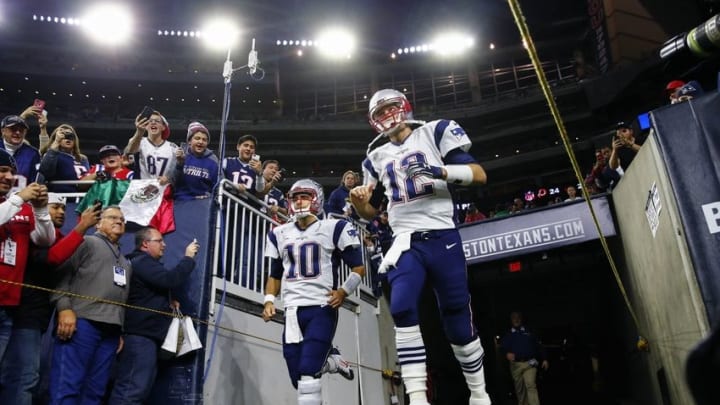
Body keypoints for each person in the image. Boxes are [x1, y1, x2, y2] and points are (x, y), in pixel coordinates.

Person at [350, 88, 491, 405]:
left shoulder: (436, 130)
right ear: (373, 122)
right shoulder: (374, 158)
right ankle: (417, 397)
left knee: (456, 316)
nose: (388, 116)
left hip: (442, 234)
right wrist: (358, 205)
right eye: (380, 113)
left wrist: (439, 171)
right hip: (404, 240)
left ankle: (479, 393)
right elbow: (373, 212)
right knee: (401, 307)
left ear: (405, 106)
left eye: (391, 108)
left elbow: (480, 175)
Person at [263, 179, 363, 405]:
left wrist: (343, 292)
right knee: (298, 378)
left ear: (316, 199)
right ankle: (333, 362)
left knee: (308, 372)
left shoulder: (333, 227)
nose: (299, 202)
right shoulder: (278, 233)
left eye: (304, 196)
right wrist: (269, 300)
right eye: (295, 197)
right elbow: (275, 274)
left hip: (321, 306)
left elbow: (358, 267)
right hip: (291, 310)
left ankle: (329, 361)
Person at [0, 194, 100, 405]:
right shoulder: (33, 236)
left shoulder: (59, 236)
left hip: (39, 316)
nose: (61, 212)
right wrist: (81, 227)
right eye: (55, 207)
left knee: (25, 377)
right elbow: (52, 257)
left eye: (64, 209)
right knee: (23, 377)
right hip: (22, 314)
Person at [49, 206, 132, 404]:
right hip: (81, 323)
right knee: (67, 387)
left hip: (111, 330)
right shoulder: (86, 243)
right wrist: (64, 308)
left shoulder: (124, 260)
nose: (119, 221)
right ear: (98, 222)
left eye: (122, 219)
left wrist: (119, 328)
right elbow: (60, 275)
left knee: (95, 391)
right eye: (112, 217)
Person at [108, 227, 198, 404]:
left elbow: (147, 292)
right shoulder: (142, 261)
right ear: (145, 244)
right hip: (140, 337)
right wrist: (188, 258)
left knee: (138, 390)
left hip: (145, 336)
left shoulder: (139, 263)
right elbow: (169, 279)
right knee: (131, 390)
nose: (164, 245)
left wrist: (167, 302)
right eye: (159, 241)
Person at [0, 149, 55, 366]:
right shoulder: (15, 202)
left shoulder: (19, 206)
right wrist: (19, 198)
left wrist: (40, 211)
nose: (8, 176)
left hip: (9, 305)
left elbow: (45, 240)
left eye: (11, 172)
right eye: (2, 170)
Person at [499, 312, 549, 405]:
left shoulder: (529, 331)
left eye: (518, 317)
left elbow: (539, 345)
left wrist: (545, 359)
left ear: (521, 319)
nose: (516, 319)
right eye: (514, 318)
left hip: (530, 363)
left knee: (530, 385)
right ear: (511, 320)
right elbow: (503, 348)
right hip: (515, 365)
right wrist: (506, 353)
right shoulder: (508, 334)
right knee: (520, 389)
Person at [125, 109, 178, 185]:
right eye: (150, 121)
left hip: (164, 189)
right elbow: (129, 151)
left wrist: (169, 177)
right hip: (142, 188)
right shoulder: (138, 141)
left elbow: (177, 169)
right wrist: (139, 131)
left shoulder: (173, 147)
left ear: (163, 127)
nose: (153, 122)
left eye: (157, 121)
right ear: (146, 126)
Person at [174, 121, 219, 201]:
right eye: (197, 138)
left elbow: (218, 185)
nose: (200, 142)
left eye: (204, 140)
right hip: (180, 202)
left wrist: (209, 197)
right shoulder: (179, 155)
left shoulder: (213, 160)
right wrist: (180, 164)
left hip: (203, 204)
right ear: (189, 141)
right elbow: (171, 180)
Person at [39, 124, 90, 193]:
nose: (68, 139)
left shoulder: (82, 159)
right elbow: (45, 171)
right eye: (64, 136)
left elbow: (87, 177)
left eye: (71, 136)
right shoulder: (53, 155)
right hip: (60, 197)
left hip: (81, 197)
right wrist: (56, 143)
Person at [0, 115, 40, 190]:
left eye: (21, 130)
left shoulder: (33, 153)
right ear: (3, 131)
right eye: (13, 129)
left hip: (22, 199)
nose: (18, 132)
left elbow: (35, 181)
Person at [222, 134, 265, 199]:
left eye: (251, 147)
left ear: (254, 151)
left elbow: (260, 190)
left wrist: (259, 174)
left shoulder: (257, 168)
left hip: (245, 207)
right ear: (238, 147)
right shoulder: (226, 162)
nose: (248, 149)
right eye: (246, 145)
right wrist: (234, 186)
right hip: (225, 205)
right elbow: (217, 181)